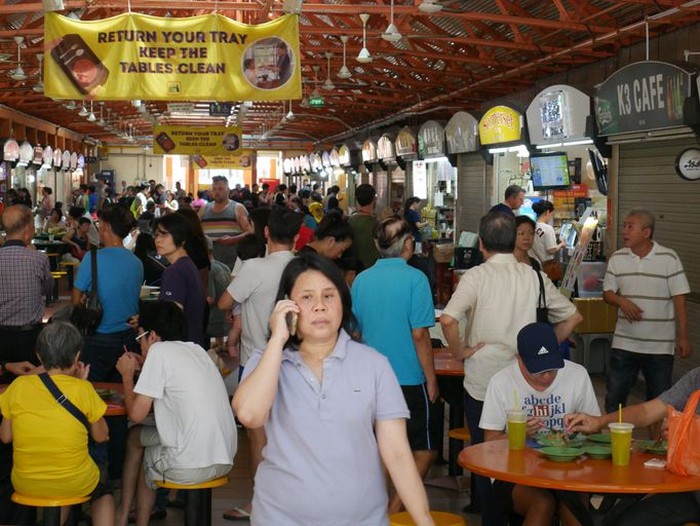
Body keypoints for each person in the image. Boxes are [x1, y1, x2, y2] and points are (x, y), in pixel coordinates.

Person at [233, 252, 435, 526]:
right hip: (279, 518)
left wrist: (424, 520)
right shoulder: (267, 361)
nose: (319, 306)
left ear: (343, 302)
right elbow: (249, 414)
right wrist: (278, 339)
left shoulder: (374, 364)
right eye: (306, 297)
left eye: (329, 296)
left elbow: (398, 453)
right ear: (288, 306)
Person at [439, 211, 582, 526]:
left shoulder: (476, 276)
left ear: (482, 244)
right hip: (526, 381)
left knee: (487, 460)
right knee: (528, 455)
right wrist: (541, 347)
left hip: (482, 382)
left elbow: (447, 319)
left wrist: (460, 350)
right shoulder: (533, 276)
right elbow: (573, 317)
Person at [115, 302, 236, 526]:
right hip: (224, 458)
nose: (140, 344)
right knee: (140, 437)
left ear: (152, 336)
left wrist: (127, 376)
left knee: (137, 440)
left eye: (139, 337)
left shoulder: (159, 353)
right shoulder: (197, 350)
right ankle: (126, 515)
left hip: (190, 465)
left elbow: (136, 415)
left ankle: (128, 516)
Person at [217, 208, 302, 521]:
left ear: (265, 234)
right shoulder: (305, 267)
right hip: (299, 363)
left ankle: (260, 503)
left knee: (258, 437)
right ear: (296, 237)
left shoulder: (254, 268)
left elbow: (225, 302)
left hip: (257, 362)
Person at [351, 216, 439, 513]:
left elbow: (356, 331)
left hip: (370, 379)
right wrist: (432, 378)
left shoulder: (361, 280)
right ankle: (391, 511)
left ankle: (380, 509)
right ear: (408, 245)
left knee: (381, 448)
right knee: (424, 450)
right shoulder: (416, 279)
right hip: (409, 379)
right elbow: (420, 335)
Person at [481, 322, 600, 526]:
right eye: (538, 371)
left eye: (552, 369)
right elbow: (489, 443)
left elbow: (596, 430)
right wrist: (518, 435)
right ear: (519, 360)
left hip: (567, 469)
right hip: (514, 473)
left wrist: (583, 427)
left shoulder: (577, 375)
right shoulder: (501, 382)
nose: (547, 377)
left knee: (572, 503)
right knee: (543, 502)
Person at [0, 322, 115, 526]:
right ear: (77, 357)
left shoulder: (17, 386)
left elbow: (5, 437)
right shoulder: (83, 389)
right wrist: (81, 384)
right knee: (104, 492)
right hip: (73, 481)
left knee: (64, 481)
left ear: (38, 355)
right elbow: (101, 435)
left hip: (25, 483)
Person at [565, 367, 700, 526]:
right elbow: (646, 411)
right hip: (690, 490)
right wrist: (600, 421)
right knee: (626, 522)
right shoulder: (696, 378)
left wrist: (690, 433)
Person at [602, 208, 691, 419]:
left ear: (646, 232)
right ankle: (615, 441)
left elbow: (680, 298)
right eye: (624, 226)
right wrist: (621, 301)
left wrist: (684, 337)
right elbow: (607, 294)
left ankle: (657, 447)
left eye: (630, 226)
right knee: (615, 398)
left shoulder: (669, 258)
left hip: (659, 346)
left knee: (659, 401)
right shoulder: (618, 258)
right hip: (625, 343)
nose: (624, 231)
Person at [73, 205, 143, 382]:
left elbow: (75, 298)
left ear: (107, 227)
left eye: (100, 224)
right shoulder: (136, 262)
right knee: (123, 389)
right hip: (129, 338)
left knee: (93, 389)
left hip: (98, 336)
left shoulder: (93, 257)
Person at [0, 205, 52, 378]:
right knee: (32, 388)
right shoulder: (38, 258)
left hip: (1, 336)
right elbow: (48, 289)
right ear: (28, 230)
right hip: (30, 337)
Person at [153, 214, 207, 347]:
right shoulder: (188, 264)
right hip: (193, 344)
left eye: (164, 235)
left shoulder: (175, 271)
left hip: (180, 347)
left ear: (181, 239)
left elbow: (171, 320)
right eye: (156, 235)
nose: (158, 240)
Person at [199, 175, 253, 269]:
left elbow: (250, 231)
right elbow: (195, 230)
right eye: (214, 189)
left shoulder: (238, 208)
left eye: (220, 189)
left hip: (231, 264)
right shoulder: (204, 209)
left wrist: (233, 239)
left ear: (228, 191)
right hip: (208, 265)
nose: (217, 192)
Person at [347, 183, 379, 271]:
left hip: (353, 270)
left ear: (356, 199)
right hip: (373, 270)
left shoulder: (349, 221)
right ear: (374, 200)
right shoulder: (378, 224)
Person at [531, 200, 565, 280]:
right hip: (545, 267)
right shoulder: (547, 228)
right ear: (547, 212)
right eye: (551, 214)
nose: (550, 217)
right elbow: (551, 250)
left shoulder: (531, 226)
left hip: (532, 266)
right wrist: (561, 244)